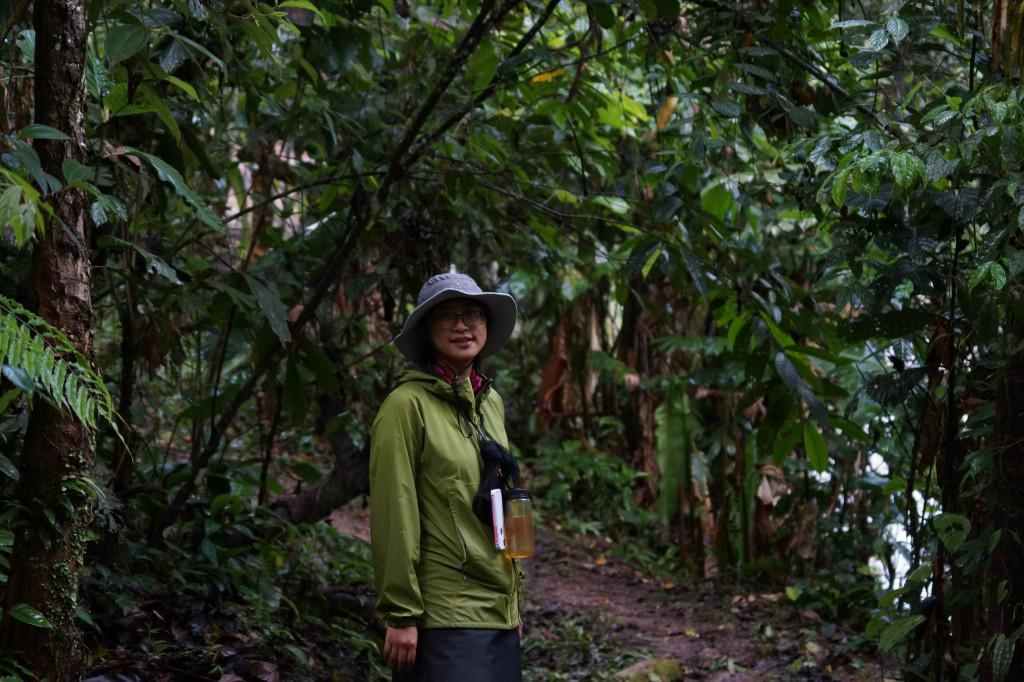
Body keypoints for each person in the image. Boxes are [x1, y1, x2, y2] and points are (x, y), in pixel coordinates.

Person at [369, 271, 523, 681]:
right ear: (426, 330)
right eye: (447, 316)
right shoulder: (405, 407)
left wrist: (513, 603)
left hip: (497, 614)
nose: (461, 325)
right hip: (446, 616)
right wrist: (401, 614)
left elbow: (499, 504)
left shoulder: (490, 403)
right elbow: (394, 513)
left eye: (472, 313)